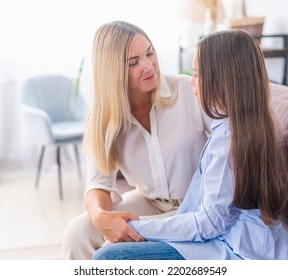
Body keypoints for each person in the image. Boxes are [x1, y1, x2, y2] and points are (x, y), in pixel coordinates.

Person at [92, 29, 288, 260]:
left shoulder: (227, 140)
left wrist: (139, 228)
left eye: (197, 74)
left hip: (232, 246)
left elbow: (208, 223)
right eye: (134, 62)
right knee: (95, 241)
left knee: (108, 257)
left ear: (223, 80)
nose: (192, 82)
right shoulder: (234, 126)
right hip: (222, 234)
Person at [62, 21, 211, 259]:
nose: (148, 66)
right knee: (77, 234)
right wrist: (100, 217)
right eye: (133, 62)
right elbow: (97, 184)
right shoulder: (104, 116)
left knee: (114, 252)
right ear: (113, 72)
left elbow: (229, 139)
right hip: (150, 202)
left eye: (150, 52)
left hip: (196, 204)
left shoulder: (186, 90)